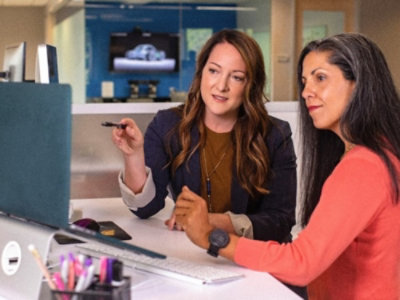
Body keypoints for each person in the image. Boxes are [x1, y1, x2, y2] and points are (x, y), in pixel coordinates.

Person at [174, 32, 400, 300]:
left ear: (359, 84)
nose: (306, 92)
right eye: (304, 81)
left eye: (321, 78)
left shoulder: (364, 166)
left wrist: (212, 237)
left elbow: (301, 263)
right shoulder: (381, 152)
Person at [111, 29, 297, 243]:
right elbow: (145, 208)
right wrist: (133, 155)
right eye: (214, 71)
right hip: (193, 253)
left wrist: (208, 221)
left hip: (251, 258)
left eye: (236, 77)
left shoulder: (275, 135)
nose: (221, 86)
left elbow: (280, 221)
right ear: (201, 73)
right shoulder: (168, 125)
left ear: (250, 85)